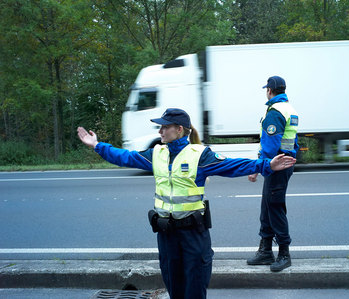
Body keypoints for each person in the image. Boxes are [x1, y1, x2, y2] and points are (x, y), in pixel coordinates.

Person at [77, 108, 295, 299]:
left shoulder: (199, 155)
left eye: (164, 128)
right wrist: (97, 145)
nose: (160, 132)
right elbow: (124, 157)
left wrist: (266, 165)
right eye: (160, 128)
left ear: (179, 130)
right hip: (167, 235)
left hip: (193, 235)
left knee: (194, 289)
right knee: (175, 289)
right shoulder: (156, 154)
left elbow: (233, 166)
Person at [247, 76, 299, 272]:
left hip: (277, 165)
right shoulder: (289, 109)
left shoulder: (275, 112)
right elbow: (292, 140)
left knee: (275, 207)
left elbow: (270, 147)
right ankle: (266, 250)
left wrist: (258, 168)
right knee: (268, 205)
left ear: (269, 90)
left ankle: (284, 253)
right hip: (283, 163)